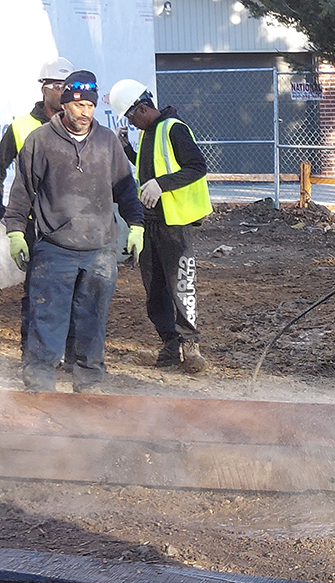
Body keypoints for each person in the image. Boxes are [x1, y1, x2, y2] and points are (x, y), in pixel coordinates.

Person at [3, 70, 145, 393]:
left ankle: (89, 387)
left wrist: (136, 225)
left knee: (92, 320)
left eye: (91, 107)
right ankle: (40, 389)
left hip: (100, 249)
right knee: (47, 319)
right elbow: (22, 190)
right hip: (54, 248)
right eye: (78, 105)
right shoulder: (40, 141)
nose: (84, 113)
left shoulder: (107, 142)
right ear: (65, 103)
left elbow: (126, 189)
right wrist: (14, 231)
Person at [109, 79, 212, 373]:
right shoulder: (150, 132)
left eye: (131, 117)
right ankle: (169, 344)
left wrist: (162, 185)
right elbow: (149, 166)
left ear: (142, 109)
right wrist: (127, 149)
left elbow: (197, 167)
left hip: (174, 222)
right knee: (154, 289)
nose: (132, 123)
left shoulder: (174, 129)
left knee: (180, 284)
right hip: (151, 220)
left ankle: (190, 345)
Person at [0, 56, 75, 355]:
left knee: (74, 291)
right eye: (57, 86)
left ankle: (71, 354)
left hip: (72, 223)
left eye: (67, 86)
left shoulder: (80, 126)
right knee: (35, 291)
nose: (63, 92)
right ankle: (32, 354)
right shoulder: (21, 127)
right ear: (44, 88)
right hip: (34, 223)